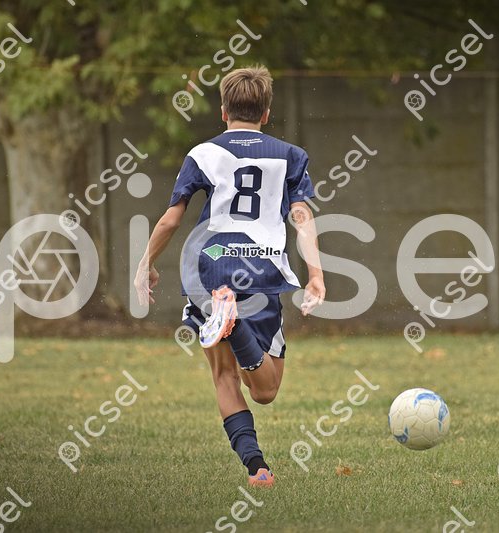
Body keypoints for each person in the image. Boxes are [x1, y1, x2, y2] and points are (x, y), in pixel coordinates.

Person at [133, 65, 325, 487]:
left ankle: (257, 468)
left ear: (223, 111)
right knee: (266, 391)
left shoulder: (203, 153)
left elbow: (170, 219)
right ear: (267, 113)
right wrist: (316, 274)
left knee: (225, 377)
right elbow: (301, 215)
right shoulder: (290, 155)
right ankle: (234, 326)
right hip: (262, 269)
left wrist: (146, 263)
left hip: (212, 271)